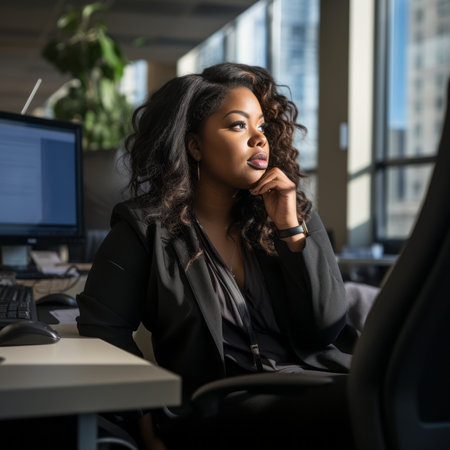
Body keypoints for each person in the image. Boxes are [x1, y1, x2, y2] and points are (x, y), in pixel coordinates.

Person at [76, 62, 355, 449]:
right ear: (194, 146)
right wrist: (142, 411)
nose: (259, 139)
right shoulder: (145, 228)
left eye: (261, 126)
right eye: (239, 125)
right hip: (221, 403)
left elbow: (325, 327)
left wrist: (291, 231)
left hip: (317, 381)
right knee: (359, 408)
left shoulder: (293, 213)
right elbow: (102, 330)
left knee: (401, 390)